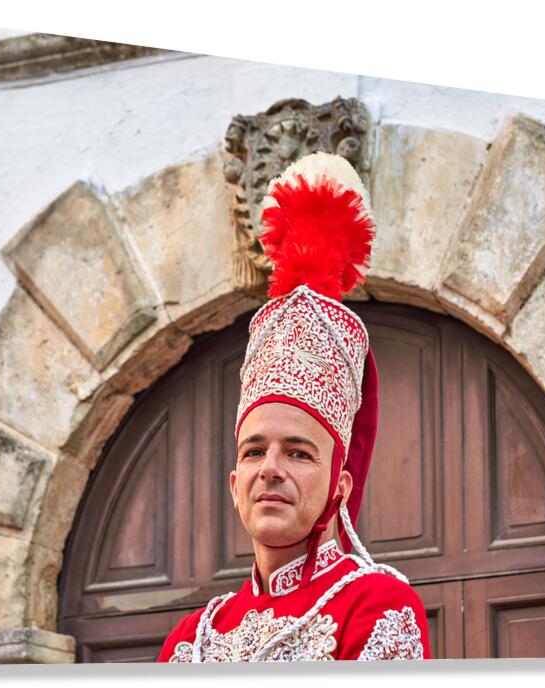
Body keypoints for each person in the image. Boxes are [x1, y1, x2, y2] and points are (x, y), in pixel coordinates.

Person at [157, 151, 430, 662]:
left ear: (339, 484)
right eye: (253, 452)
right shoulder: (190, 640)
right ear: (234, 483)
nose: (271, 470)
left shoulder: (376, 606)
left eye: (300, 453)